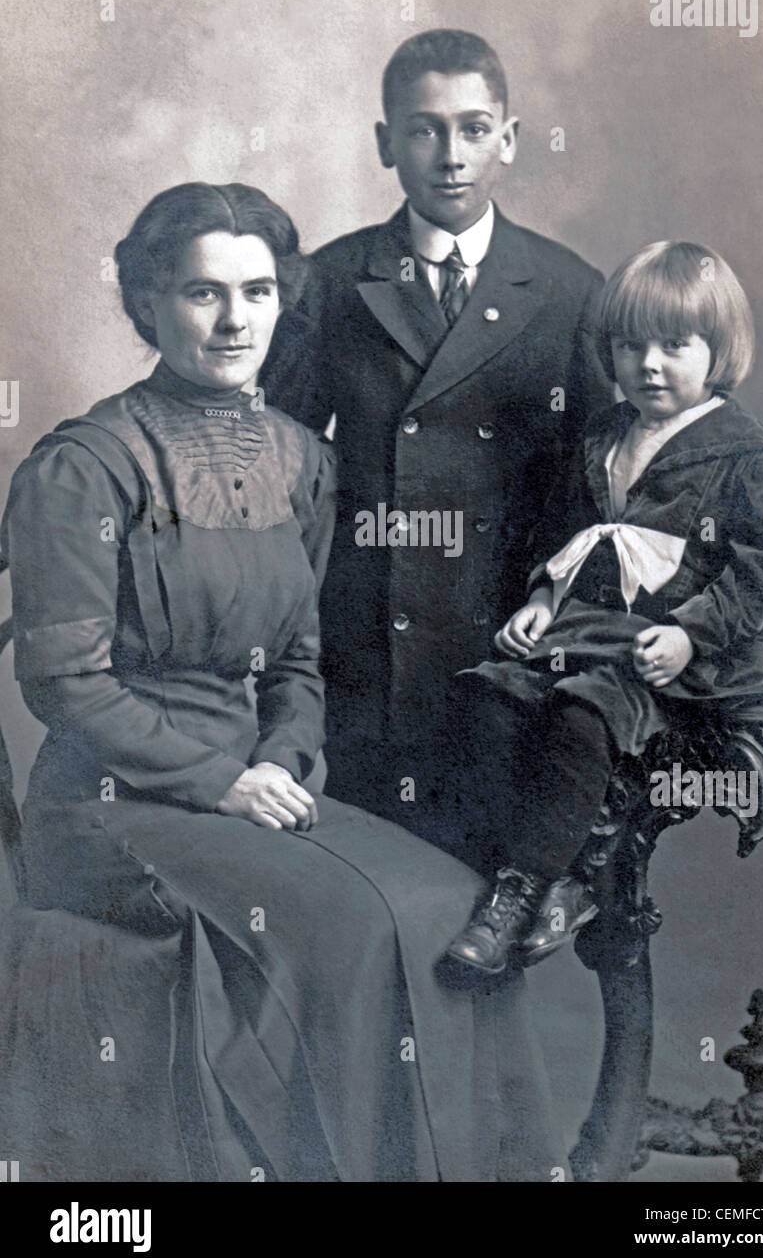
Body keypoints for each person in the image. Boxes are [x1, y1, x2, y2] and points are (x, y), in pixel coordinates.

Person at [0, 182, 565, 1181]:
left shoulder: (304, 462)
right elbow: (66, 686)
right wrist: (219, 782)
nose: (234, 321)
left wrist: (278, 759)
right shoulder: (82, 470)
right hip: (112, 806)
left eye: (257, 292)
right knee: (348, 924)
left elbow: (299, 658)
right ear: (148, 304)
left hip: (261, 784)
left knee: (446, 900)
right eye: (202, 294)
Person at [261, 29, 610, 817]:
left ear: (509, 140)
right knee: (383, 884)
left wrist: (557, 613)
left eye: (474, 129)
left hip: (511, 643)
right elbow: (278, 457)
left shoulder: (568, 288)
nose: (451, 155)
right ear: (386, 143)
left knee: (491, 895)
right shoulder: (332, 280)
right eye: (423, 130)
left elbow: (595, 490)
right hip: (372, 640)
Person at [442, 241, 763, 976]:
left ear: (718, 350)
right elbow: (563, 540)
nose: (648, 364)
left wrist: (687, 636)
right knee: (490, 693)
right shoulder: (602, 440)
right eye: (629, 345)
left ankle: (528, 891)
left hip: (682, 654)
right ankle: (523, 871)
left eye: (674, 346)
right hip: (590, 631)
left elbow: (758, 580)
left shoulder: (747, 460)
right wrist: (543, 601)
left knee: (584, 711)